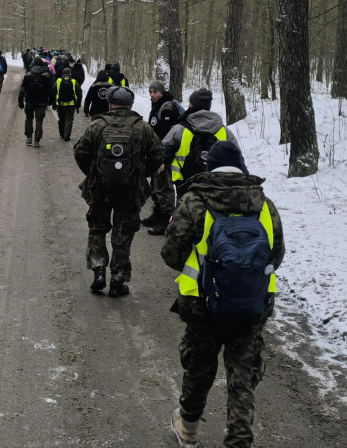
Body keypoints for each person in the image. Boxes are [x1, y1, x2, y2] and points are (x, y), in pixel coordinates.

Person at [161, 141, 285, 448]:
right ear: (240, 166)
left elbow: (171, 253)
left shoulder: (195, 201)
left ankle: (188, 429)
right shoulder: (265, 204)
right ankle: (239, 439)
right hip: (252, 304)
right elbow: (276, 254)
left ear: (209, 166)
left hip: (203, 305)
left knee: (200, 366)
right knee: (243, 375)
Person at [73, 86, 164, 297]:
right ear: (131, 105)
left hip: (99, 190)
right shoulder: (142, 127)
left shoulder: (97, 125)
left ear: (109, 104)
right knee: (122, 236)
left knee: (97, 229)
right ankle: (117, 281)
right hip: (130, 192)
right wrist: (141, 173)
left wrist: (93, 173)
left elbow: (80, 153)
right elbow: (158, 155)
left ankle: (98, 272)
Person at [163, 87, 247, 188]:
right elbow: (239, 161)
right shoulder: (225, 131)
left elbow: (162, 155)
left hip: (186, 186)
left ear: (191, 105)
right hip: (219, 187)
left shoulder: (179, 129)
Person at [142, 80, 183, 236]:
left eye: (155, 92)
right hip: (156, 154)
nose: (152, 95)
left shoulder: (168, 109)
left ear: (161, 92)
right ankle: (157, 214)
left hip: (164, 156)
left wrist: (163, 160)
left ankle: (166, 220)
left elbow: (168, 136)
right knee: (155, 186)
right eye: (150, 91)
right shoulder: (159, 105)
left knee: (164, 188)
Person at [18, 56, 52, 146]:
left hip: (29, 101)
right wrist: (50, 101)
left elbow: (22, 89)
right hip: (41, 102)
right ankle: (37, 140)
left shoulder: (28, 75)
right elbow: (50, 90)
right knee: (39, 120)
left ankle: (29, 138)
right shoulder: (45, 76)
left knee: (28, 119)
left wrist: (20, 101)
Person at [53, 67, 82, 141]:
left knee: (61, 119)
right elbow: (79, 93)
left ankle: (62, 134)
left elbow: (53, 92)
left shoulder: (58, 81)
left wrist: (53, 103)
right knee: (69, 120)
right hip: (71, 104)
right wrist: (78, 104)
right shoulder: (74, 81)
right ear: (70, 73)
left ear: (63, 73)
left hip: (60, 104)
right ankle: (67, 135)